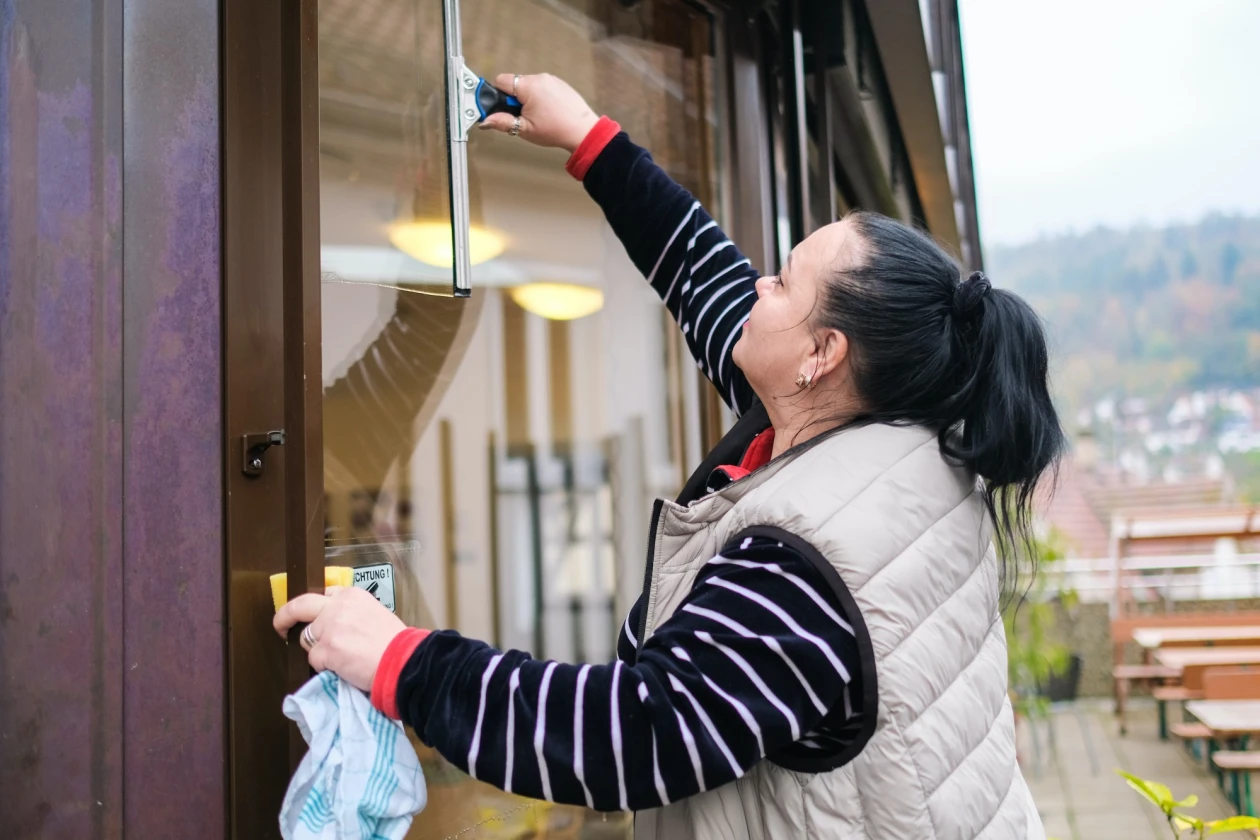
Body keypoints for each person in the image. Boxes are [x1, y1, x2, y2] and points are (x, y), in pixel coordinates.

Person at [276, 73, 1061, 839]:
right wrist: (590, 140)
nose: (759, 285)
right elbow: (708, 281)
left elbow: (635, 735)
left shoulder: (811, 565)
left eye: (783, 284)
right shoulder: (886, 435)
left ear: (823, 353)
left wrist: (400, 662)